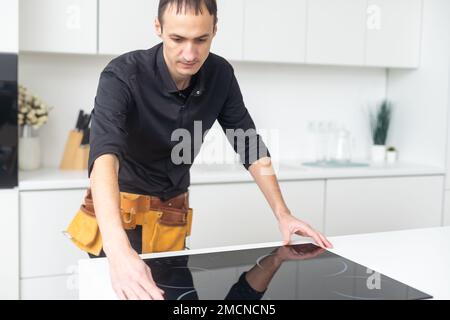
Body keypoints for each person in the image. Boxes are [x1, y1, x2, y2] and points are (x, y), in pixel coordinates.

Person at [86, 0, 333, 300]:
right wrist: (119, 252)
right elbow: (104, 158)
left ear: (214, 30)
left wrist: (283, 213)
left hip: (170, 222)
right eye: (177, 39)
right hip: (117, 222)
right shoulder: (122, 75)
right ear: (158, 28)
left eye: (201, 40)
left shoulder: (220, 75)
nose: (190, 54)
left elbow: (249, 144)